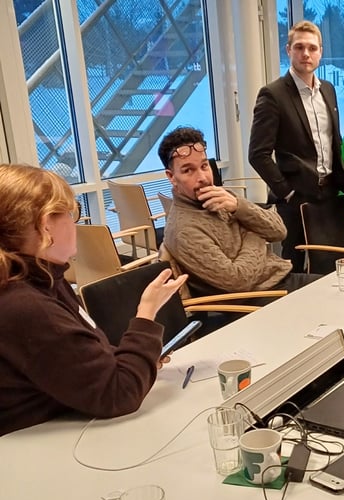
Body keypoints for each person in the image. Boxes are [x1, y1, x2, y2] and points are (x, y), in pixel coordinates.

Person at [0, 164, 187, 436]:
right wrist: (147, 311)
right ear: (46, 225)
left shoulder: (45, 279)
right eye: (70, 213)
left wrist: (137, 359)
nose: (75, 223)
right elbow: (119, 393)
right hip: (41, 446)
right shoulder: (26, 306)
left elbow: (86, 356)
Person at [157, 127, 319, 302]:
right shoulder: (183, 230)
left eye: (204, 166)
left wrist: (238, 206)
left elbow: (279, 231)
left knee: (339, 287)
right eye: (188, 170)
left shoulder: (222, 198)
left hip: (279, 279)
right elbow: (238, 281)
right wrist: (255, 233)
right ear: (171, 177)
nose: (202, 177)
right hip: (256, 299)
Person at [248, 20, 344, 273]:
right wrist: (286, 192)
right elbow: (258, 154)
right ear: (288, 50)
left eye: (312, 48)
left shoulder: (328, 90)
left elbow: (333, 140)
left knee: (334, 263)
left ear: (321, 52)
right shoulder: (273, 95)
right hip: (296, 197)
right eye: (299, 47)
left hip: (329, 193)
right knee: (294, 267)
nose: (306, 53)